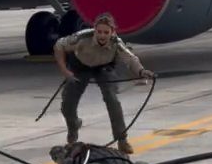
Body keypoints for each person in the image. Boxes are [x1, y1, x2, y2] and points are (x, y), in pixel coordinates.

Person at [53, 12, 155, 154]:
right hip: (80, 67)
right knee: (67, 104)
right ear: (94, 29)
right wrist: (65, 71)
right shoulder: (82, 38)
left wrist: (142, 72)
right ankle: (73, 125)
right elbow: (59, 46)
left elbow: (130, 59)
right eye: (99, 31)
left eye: (106, 32)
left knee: (112, 99)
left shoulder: (116, 43)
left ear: (112, 32)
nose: (102, 35)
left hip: (104, 68)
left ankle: (122, 140)